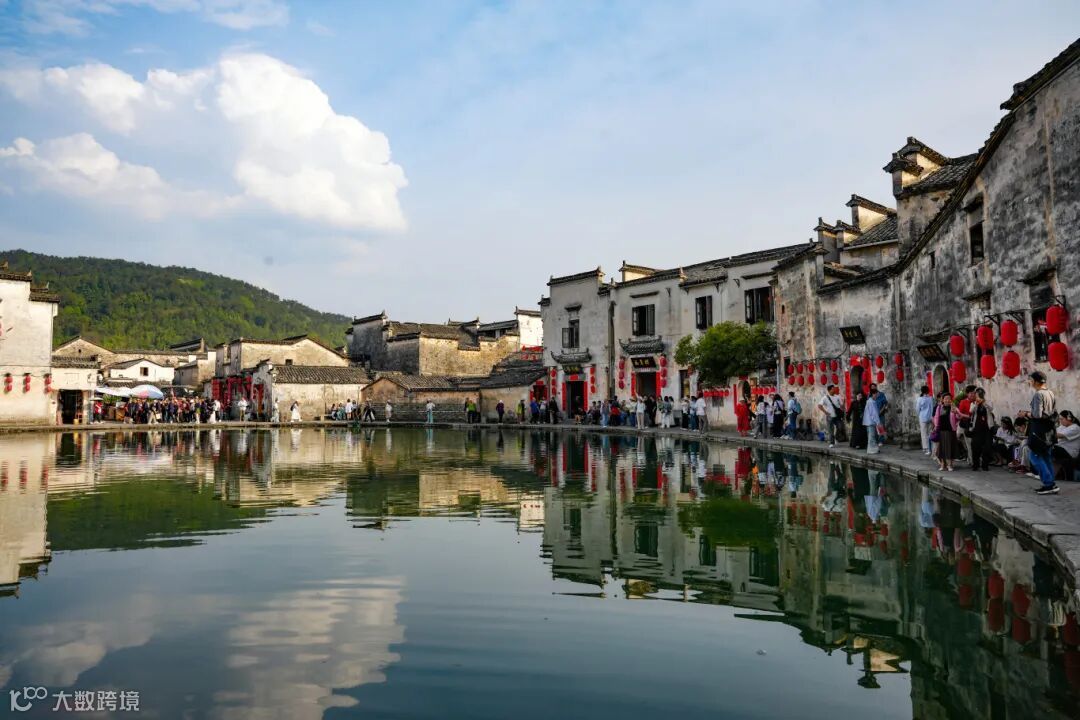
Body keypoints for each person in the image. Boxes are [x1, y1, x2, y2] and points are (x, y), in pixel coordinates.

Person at [1018, 371, 1058, 495]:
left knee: (1034, 457)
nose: (1030, 382)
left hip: (1039, 432)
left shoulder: (1038, 394)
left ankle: (1048, 483)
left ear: (1036, 381)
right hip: (1049, 431)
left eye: (1031, 380)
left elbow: (1037, 415)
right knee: (1046, 457)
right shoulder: (1050, 393)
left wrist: (1025, 414)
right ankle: (1051, 483)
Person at [968, 389, 994, 471]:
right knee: (975, 447)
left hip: (987, 428)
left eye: (980, 394)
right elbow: (970, 411)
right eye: (977, 394)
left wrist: (984, 402)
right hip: (977, 428)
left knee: (987, 447)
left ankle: (985, 465)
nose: (978, 396)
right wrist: (976, 404)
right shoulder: (973, 403)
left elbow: (991, 409)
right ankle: (975, 465)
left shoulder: (988, 402)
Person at [933, 393, 961, 472]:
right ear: (942, 400)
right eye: (946, 399)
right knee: (942, 449)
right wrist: (936, 426)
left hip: (950, 430)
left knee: (950, 448)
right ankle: (943, 465)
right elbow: (936, 418)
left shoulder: (953, 407)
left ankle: (949, 465)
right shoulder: (939, 408)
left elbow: (959, 417)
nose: (947, 400)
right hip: (941, 431)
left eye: (949, 398)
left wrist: (955, 412)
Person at [1052, 410, 1080, 483]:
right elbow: (1054, 432)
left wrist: (1045, 432)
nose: (1060, 421)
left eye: (1062, 419)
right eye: (1059, 419)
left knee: (1050, 448)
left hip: (1069, 452)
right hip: (1061, 449)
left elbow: (1060, 435)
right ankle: (1048, 474)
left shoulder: (1075, 428)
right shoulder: (1062, 427)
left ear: (1069, 418)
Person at [916, 385, 935, 456]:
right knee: (930, 433)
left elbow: (917, 409)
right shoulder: (931, 398)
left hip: (922, 417)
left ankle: (926, 447)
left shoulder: (919, 399)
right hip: (930, 417)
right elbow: (933, 407)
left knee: (924, 433)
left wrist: (919, 415)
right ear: (928, 391)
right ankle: (931, 447)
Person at [863, 388, 882, 455]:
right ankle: (872, 450)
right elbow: (874, 413)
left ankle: (872, 449)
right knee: (872, 436)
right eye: (876, 394)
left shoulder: (869, 401)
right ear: (873, 394)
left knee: (871, 436)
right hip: (871, 422)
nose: (877, 396)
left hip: (869, 421)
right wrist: (878, 422)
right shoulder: (871, 402)